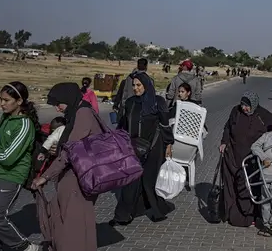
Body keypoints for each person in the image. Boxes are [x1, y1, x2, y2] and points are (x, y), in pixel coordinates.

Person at [31, 82, 103, 251]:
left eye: (58, 104)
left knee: (74, 226)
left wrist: (45, 176)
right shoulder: (77, 112)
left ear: (68, 99)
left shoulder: (83, 113)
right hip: (73, 176)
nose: (57, 109)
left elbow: (71, 151)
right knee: (69, 223)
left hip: (79, 178)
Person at [110, 72, 174, 226]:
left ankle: (157, 211)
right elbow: (124, 123)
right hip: (134, 147)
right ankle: (123, 216)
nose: (135, 88)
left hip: (154, 147)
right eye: (133, 85)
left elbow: (165, 125)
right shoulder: (131, 102)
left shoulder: (158, 102)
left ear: (146, 85)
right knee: (131, 179)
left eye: (138, 85)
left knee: (148, 181)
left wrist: (169, 145)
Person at [0, 81, 41, 251]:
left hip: (11, 176)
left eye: (6, 100)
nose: (2, 104)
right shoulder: (5, 117)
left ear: (19, 101)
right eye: (1, 99)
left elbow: (8, 157)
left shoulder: (24, 124)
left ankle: (24, 246)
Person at [219, 91, 272, 227]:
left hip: (251, 160)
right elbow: (227, 127)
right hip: (232, 156)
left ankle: (249, 217)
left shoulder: (264, 116)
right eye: (242, 105)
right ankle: (230, 214)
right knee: (230, 185)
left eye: (247, 106)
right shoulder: (235, 111)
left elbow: (271, 136)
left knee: (247, 187)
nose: (244, 108)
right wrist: (224, 142)